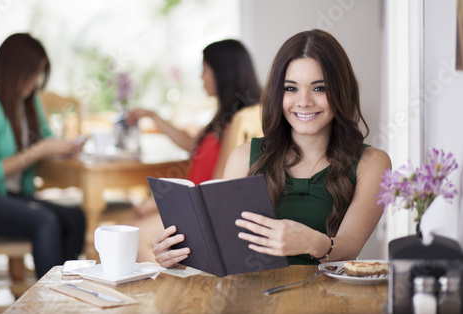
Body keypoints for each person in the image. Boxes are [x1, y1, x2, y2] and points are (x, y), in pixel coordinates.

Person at [152, 29, 392, 268]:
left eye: (319, 88)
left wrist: (311, 242)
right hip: (254, 298)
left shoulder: (372, 163)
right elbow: (221, 253)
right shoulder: (244, 157)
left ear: (341, 90)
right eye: (291, 88)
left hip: (326, 297)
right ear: (278, 93)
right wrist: (178, 257)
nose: (304, 101)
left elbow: (351, 245)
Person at [124, 39, 261, 262]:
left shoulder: (238, 122)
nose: (201, 77)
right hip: (191, 202)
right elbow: (191, 143)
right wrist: (153, 115)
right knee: (128, 225)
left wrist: (163, 201)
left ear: (222, 73)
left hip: (202, 208)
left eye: (205, 70)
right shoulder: (223, 116)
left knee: (135, 236)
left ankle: (171, 293)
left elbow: (219, 183)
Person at [0, 33, 86, 278]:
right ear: (14, 68)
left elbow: (46, 137)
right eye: (33, 73)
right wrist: (39, 150)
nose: (37, 81)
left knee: (75, 218)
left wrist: (64, 148)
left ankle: (64, 290)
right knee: (46, 221)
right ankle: (49, 305)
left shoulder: (27, 101)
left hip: (9, 196)